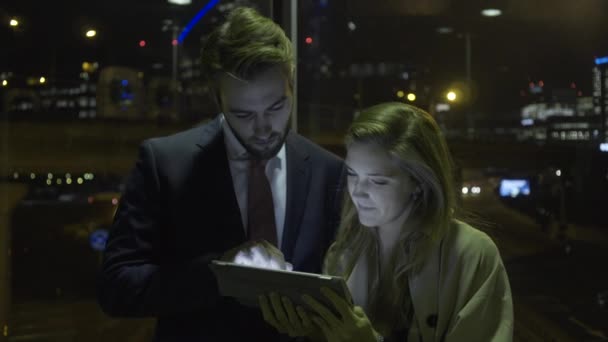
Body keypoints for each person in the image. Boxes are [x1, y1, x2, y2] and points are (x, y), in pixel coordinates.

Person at [97, 7, 344, 341]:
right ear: (217, 98)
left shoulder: (328, 172)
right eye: (243, 114)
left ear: (293, 81)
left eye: (276, 107)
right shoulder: (165, 162)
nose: (263, 129)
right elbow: (116, 287)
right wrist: (219, 274)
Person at [260, 102, 513, 341]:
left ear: (419, 183)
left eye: (378, 180)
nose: (357, 191)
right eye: (351, 174)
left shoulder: (473, 255)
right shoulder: (343, 254)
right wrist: (313, 332)